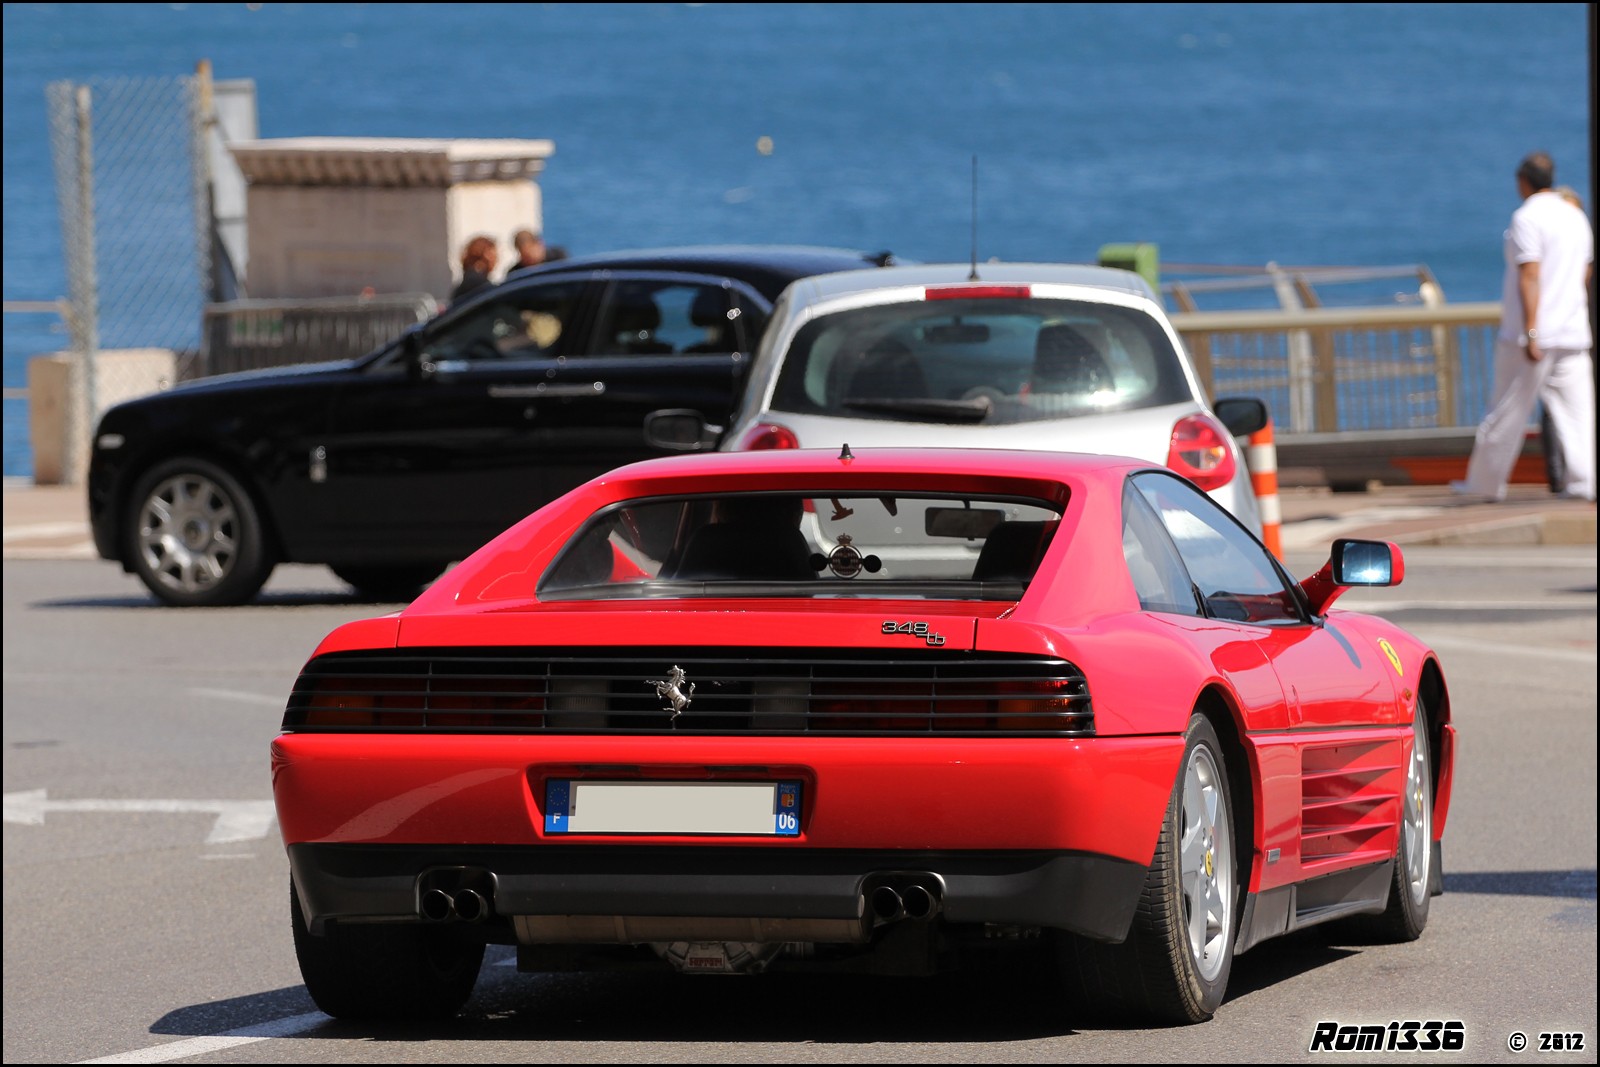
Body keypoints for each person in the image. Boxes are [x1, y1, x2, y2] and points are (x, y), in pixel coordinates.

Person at [1454, 152, 1594, 502]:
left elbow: (1529, 274)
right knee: (1579, 416)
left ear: (1523, 181)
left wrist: (1531, 331)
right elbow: (1585, 271)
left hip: (1533, 335)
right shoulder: (1576, 216)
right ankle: (1585, 482)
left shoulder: (1526, 217)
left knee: (1505, 410)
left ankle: (1484, 485)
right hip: (1572, 331)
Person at [450, 235, 498, 303]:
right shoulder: (477, 282)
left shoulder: (471, 277)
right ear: (486, 255)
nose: (497, 259)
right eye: (494, 254)